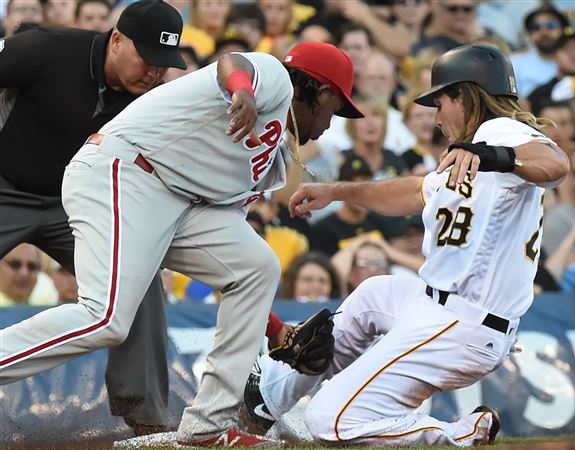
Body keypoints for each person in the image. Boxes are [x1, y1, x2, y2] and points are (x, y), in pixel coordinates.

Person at [0, 39, 363, 446]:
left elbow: (225, 257)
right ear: (324, 91)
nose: (334, 122)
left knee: (255, 265)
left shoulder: (270, 158)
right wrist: (243, 89)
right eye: (338, 107)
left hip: (171, 200)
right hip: (124, 171)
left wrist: (276, 331)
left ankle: (207, 428)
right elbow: (233, 62)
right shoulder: (275, 80)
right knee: (105, 318)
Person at [241, 44, 569, 447]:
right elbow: (415, 191)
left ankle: (458, 434)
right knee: (374, 293)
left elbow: (555, 164)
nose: (435, 116)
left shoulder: (498, 133)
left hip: (465, 323)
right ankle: (267, 398)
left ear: (465, 96)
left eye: (440, 102)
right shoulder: (471, 151)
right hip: (436, 304)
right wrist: (338, 191)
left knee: (328, 421)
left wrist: (495, 155)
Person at [0, 0, 187, 435]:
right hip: (6, 187)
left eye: (165, 63)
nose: (155, 72)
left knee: (139, 282)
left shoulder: (157, 98)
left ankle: (146, 419)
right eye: (148, 59)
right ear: (117, 40)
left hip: (78, 206)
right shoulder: (46, 49)